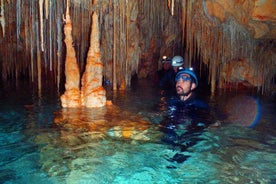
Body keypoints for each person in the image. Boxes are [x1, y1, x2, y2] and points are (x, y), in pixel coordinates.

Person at [158, 67, 213, 164]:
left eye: (185, 80)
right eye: (178, 79)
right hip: (174, 132)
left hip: (190, 136)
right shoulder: (172, 102)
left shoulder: (200, 105)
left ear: (192, 86)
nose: (180, 82)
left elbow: (208, 123)